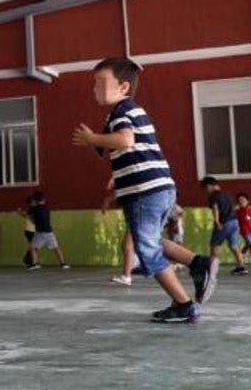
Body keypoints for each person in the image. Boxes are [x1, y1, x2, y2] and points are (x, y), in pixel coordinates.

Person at [72, 57, 219, 323]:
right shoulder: (126, 110)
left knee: (146, 248)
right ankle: (199, 263)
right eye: (94, 83)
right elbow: (126, 148)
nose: (94, 88)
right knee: (149, 240)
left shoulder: (122, 111)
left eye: (101, 82)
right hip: (159, 188)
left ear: (123, 87)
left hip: (145, 192)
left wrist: (93, 138)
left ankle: (184, 304)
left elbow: (125, 141)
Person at [202, 177, 247, 275]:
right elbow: (235, 207)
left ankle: (212, 269)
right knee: (234, 245)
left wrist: (217, 221)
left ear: (210, 185)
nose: (207, 191)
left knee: (214, 245)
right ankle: (241, 267)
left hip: (224, 223)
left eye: (206, 188)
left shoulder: (214, 196)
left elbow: (215, 208)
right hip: (234, 222)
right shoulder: (228, 194)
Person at [24, 192, 69, 270]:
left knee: (33, 248)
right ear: (43, 200)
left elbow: (29, 216)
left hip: (40, 232)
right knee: (56, 247)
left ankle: (34, 264)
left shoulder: (34, 209)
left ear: (35, 200)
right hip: (48, 231)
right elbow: (37, 219)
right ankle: (63, 264)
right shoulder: (46, 208)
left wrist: (21, 212)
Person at [236, 193, 251, 267]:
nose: (241, 201)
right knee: (250, 244)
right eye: (240, 200)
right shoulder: (238, 211)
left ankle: (241, 256)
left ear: (247, 201)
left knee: (248, 245)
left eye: (243, 200)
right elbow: (234, 219)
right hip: (244, 231)